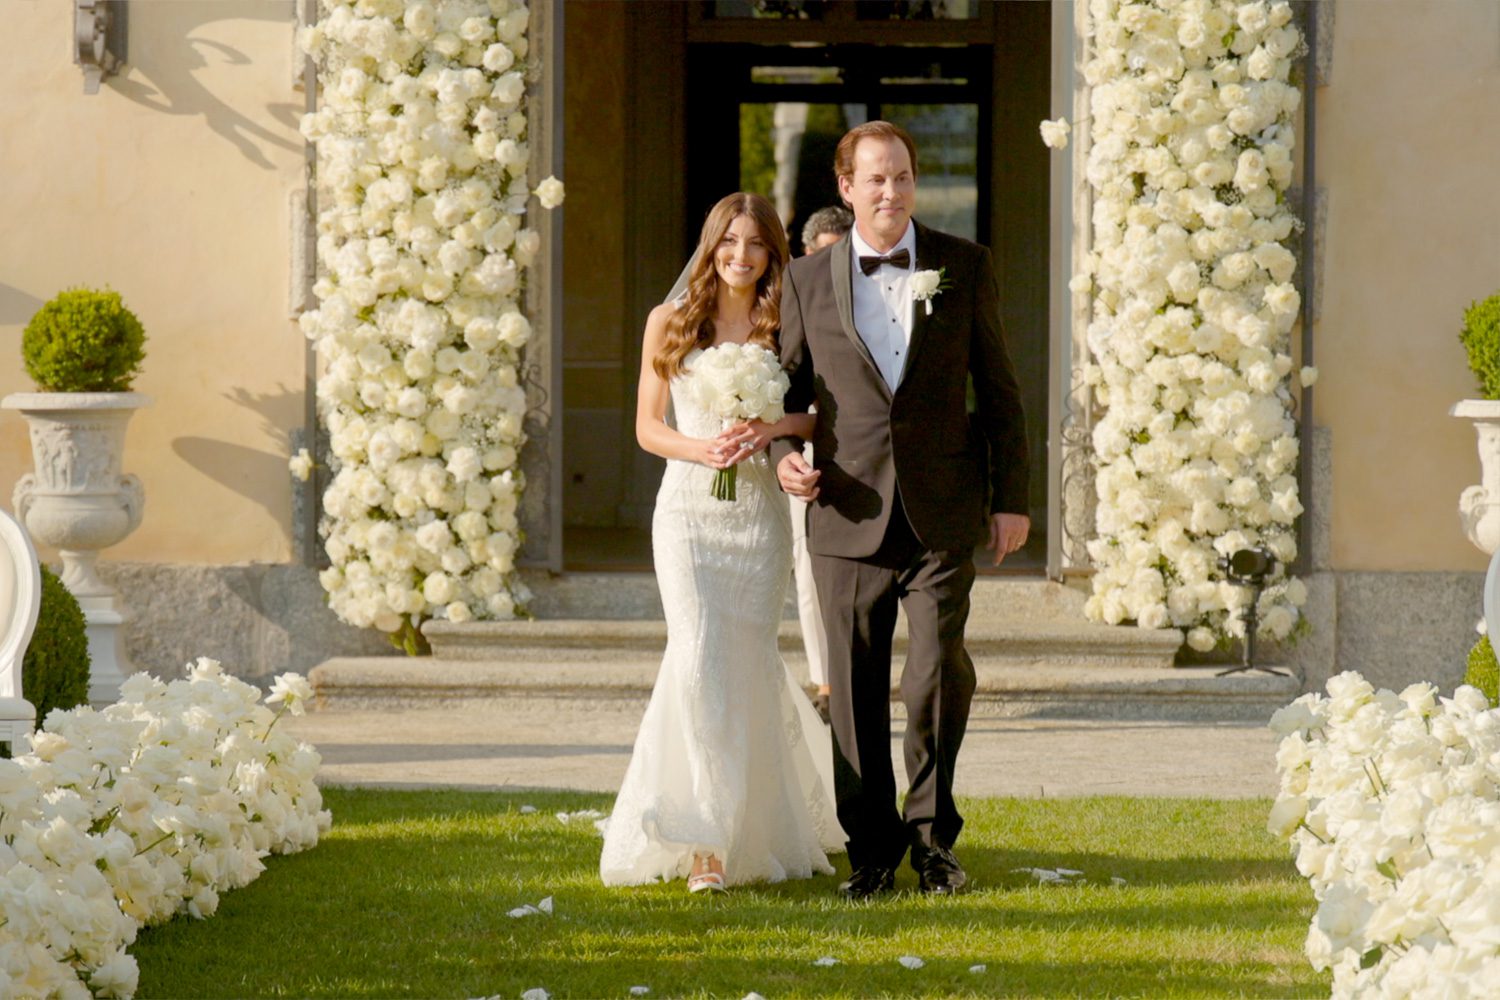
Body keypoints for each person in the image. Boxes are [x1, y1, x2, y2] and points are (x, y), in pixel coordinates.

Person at [772, 122, 1030, 900]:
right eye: (876, 180)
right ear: (846, 190)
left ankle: (933, 843)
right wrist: (778, 458)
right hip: (844, 511)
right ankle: (871, 853)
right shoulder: (804, 281)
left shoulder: (964, 264)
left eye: (904, 178)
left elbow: (1001, 388)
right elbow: (781, 394)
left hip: (943, 508)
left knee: (934, 676)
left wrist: (1012, 499)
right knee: (850, 690)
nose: (892, 192)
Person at [600, 192, 844, 894]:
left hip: (757, 519)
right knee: (698, 655)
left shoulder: (783, 324)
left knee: (745, 663)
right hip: (687, 515)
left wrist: (772, 433)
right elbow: (648, 428)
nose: (741, 256)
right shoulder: (669, 320)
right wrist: (705, 449)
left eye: (756, 245)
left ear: (773, 253)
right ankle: (703, 841)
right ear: (711, 247)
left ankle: (748, 827)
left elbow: (816, 415)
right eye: (730, 242)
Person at [792, 205, 854, 724]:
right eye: (822, 254)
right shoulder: (797, 294)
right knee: (806, 566)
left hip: (860, 451)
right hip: (806, 449)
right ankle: (826, 681)